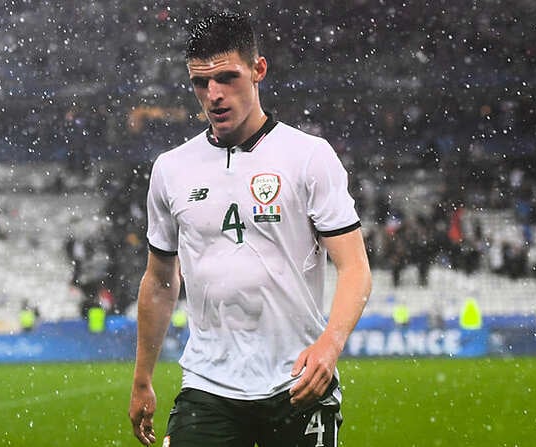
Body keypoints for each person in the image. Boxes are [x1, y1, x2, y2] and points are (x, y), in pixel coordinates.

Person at [128, 12, 372, 447]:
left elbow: (355, 267)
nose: (214, 95)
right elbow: (161, 281)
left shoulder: (308, 157)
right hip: (208, 388)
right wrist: (142, 377)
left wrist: (329, 347)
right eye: (201, 83)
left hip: (297, 381)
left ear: (259, 69)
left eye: (227, 77)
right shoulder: (171, 169)